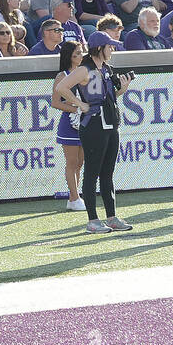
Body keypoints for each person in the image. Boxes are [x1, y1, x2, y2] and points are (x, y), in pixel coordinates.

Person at [57, 31, 135, 234]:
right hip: (93, 124)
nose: (112, 49)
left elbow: (109, 96)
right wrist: (80, 104)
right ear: (99, 48)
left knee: (107, 172)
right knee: (92, 172)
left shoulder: (106, 68)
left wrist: (122, 89)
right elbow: (62, 87)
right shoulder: (85, 68)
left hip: (110, 122)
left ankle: (111, 216)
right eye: (109, 46)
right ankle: (92, 219)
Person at [51, 40, 88, 212]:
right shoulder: (62, 76)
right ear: (69, 57)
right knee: (72, 162)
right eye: (77, 54)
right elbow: (55, 102)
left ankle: (74, 197)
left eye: (81, 52)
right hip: (70, 124)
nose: (81, 56)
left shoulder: (85, 73)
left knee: (80, 162)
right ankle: (74, 196)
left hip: (85, 123)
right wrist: (76, 108)